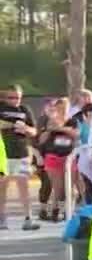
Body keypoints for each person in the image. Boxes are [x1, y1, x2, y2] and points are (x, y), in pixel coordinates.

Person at [0, 85, 40, 230]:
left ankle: (28, 218)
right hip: (3, 152)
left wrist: (26, 129)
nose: (15, 100)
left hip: (21, 151)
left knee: (23, 185)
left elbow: (34, 130)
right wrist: (12, 125)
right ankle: (2, 218)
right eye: (11, 97)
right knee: (2, 186)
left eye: (17, 97)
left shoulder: (24, 110)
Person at [36, 98, 77, 222]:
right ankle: (56, 210)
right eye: (60, 108)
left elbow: (75, 134)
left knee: (68, 187)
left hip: (68, 157)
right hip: (53, 156)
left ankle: (63, 211)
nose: (62, 110)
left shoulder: (72, 121)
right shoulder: (49, 121)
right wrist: (50, 129)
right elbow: (41, 139)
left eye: (65, 108)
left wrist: (60, 129)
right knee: (58, 188)